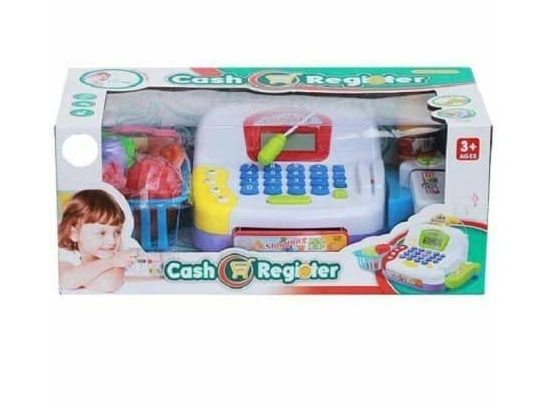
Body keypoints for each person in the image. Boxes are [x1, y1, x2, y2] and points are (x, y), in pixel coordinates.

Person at [58, 189, 138, 292]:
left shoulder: (121, 252)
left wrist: (80, 279)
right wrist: (112, 262)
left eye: (117, 232)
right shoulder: (66, 255)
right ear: (74, 234)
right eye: (102, 233)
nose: (112, 241)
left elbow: (108, 283)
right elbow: (67, 280)